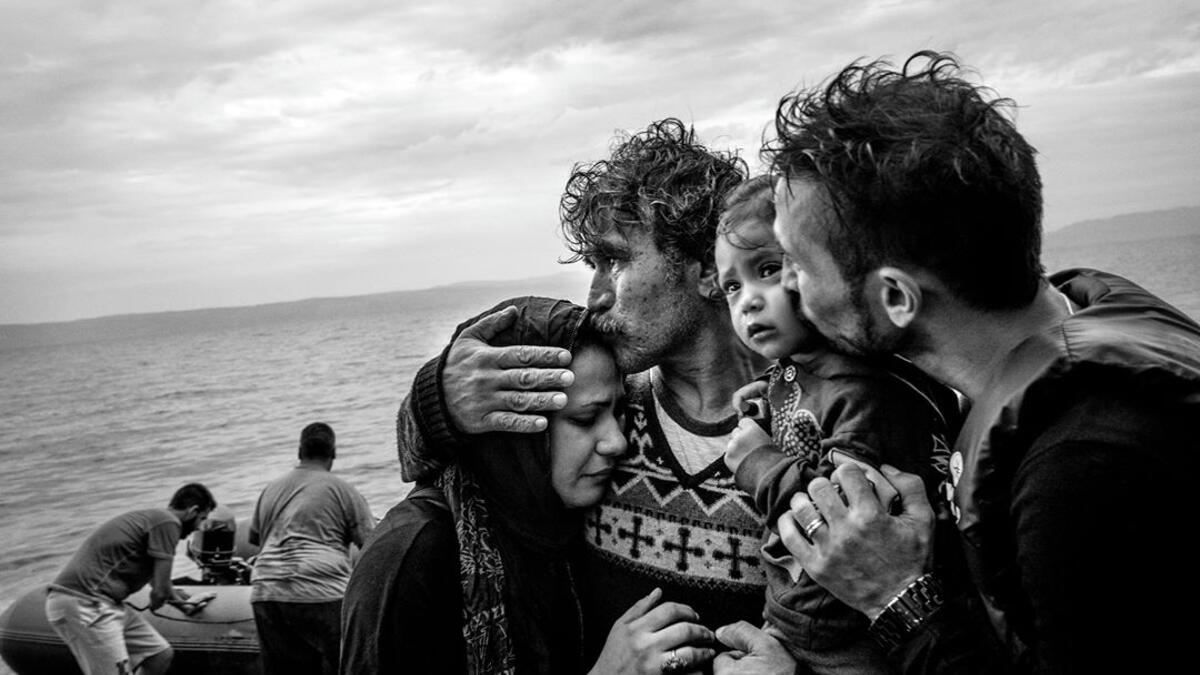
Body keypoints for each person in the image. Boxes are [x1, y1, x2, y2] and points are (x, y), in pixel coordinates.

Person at [717, 51, 1200, 674]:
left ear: (894, 297)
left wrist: (897, 599)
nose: (791, 291)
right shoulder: (1081, 311)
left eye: (798, 267)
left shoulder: (1085, 467)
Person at [394, 118, 765, 673]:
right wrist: (437, 398)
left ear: (708, 269)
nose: (593, 296)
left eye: (614, 261)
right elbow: (437, 472)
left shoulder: (809, 424)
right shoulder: (605, 411)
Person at [342, 296, 716, 674]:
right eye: (585, 419)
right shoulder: (411, 558)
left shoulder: (560, 521)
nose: (617, 442)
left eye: (620, 411)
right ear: (511, 431)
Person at [715, 174, 957, 674]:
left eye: (768, 269)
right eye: (732, 286)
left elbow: (845, 516)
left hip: (844, 635)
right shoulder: (800, 367)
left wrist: (759, 464)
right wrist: (768, 399)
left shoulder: (864, 392)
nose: (748, 301)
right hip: (796, 609)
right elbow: (805, 409)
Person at [44, 482, 216, 675]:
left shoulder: (154, 520)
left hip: (105, 604)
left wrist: (181, 602)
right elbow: (160, 590)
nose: (200, 526)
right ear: (192, 511)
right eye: (202, 518)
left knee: (159, 655)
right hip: (86, 603)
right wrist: (167, 599)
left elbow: (157, 581)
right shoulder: (168, 523)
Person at [249, 422, 376, 675]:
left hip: (267, 590)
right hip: (321, 590)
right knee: (346, 666)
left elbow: (255, 538)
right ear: (334, 453)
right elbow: (372, 546)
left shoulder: (270, 489)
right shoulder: (343, 490)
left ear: (299, 451)